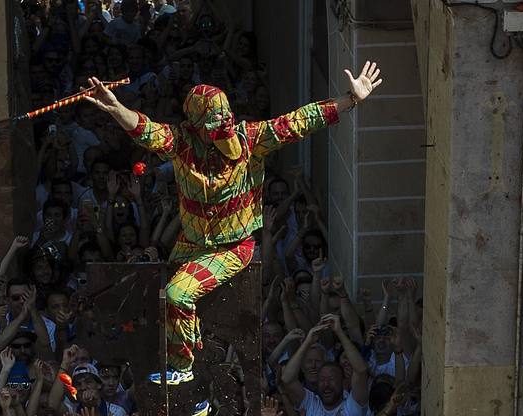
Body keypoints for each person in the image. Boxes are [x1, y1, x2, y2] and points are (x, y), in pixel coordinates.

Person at [79, 62, 382, 384]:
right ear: (197, 127)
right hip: (190, 244)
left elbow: (301, 121)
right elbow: (146, 131)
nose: (221, 134)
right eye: (212, 128)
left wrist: (351, 99)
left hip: (233, 248)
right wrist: (115, 107)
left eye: (224, 125)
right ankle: (191, 367)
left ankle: (184, 368)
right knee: (157, 299)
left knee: (178, 295)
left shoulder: (252, 139)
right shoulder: (182, 143)